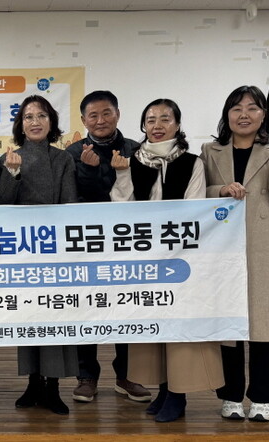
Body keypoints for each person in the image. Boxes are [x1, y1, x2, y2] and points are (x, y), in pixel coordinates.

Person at [200, 85, 269, 423]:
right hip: (224, 244)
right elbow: (198, 191)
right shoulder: (210, 150)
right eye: (236, 108)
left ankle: (262, 399)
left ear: (264, 115)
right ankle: (231, 396)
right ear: (227, 115)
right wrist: (221, 189)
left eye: (252, 108)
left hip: (266, 242)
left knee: (264, 325)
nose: (244, 115)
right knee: (229, 326)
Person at [110, 98, 224, 422]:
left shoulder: (192, 162)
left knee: (179, 329)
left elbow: (194, 208)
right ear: (143, 126)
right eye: (151, 120)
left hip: (181, 259)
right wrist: (122, 174)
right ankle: (163, 389)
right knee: (154, 326)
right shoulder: (132, 161)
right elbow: (121, 209)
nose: (157, 125)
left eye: (165, 119)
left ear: (177, 124)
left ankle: (178, 395)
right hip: (145, 259)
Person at [63, 90, 150, 404]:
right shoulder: (73, 153)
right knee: (86, 307)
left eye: (106, 113)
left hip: (127, 245)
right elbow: (74, 200)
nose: (100, 120)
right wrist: (87, 170)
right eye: (93, 115)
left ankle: (127, 376)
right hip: (86, 246)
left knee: (126, 308)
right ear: (83, 120)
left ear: (118, 114)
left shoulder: (137, 150)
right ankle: (86, 377)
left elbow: (144, 197)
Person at [0, 95, 78, 416]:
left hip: (55, 251)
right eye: (28, 116)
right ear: (21, 124)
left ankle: (53, 386)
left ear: (51, 121)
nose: (35, 122)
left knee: (55, 317)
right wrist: (12, 173)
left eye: (41, 115)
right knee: (29, 316)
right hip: (23, 253)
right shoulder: (8, 158)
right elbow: (2, 203)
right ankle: (32, 382)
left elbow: (70, 206)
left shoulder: (62, 159)